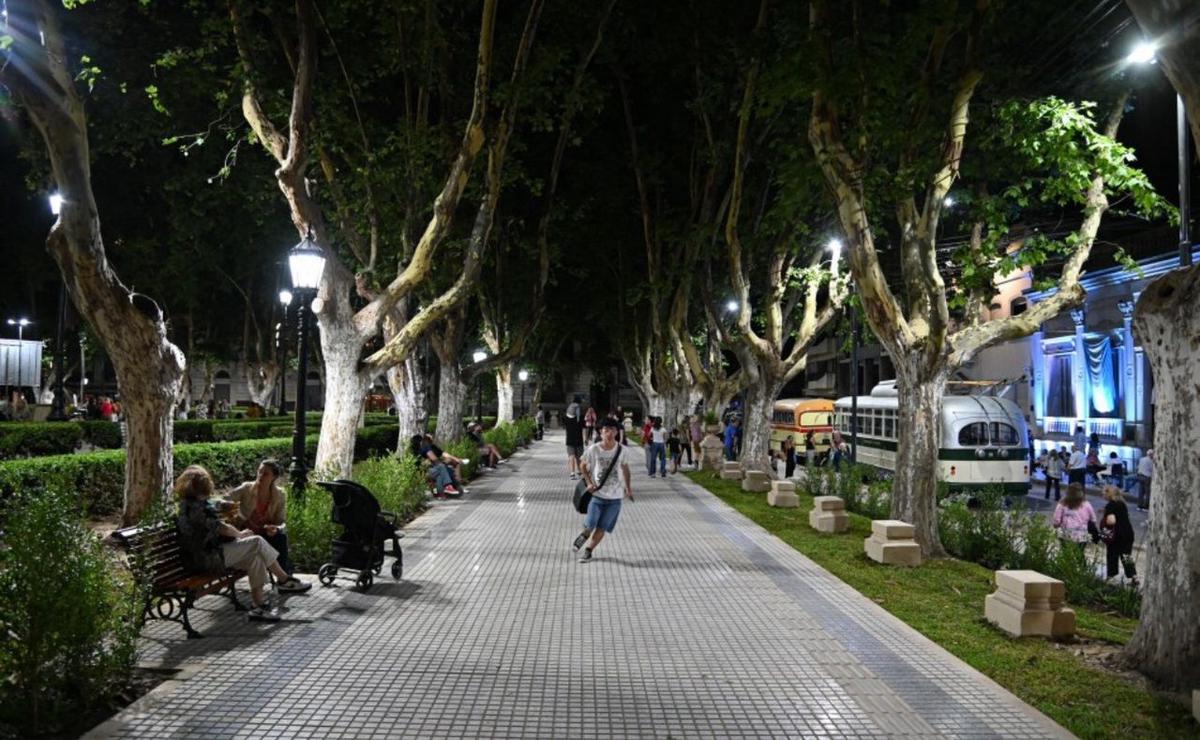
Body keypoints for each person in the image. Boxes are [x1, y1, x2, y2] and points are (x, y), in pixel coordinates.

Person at [175, 465, 299, 622]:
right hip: (206, 560)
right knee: (257, 542)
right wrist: (240, 534)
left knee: (256, 558)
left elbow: (215, 505)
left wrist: (222, 505)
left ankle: (258, 607)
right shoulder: (197, 508)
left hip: (207, 555)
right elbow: (221, 528)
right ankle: (283, 578)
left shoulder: (191, 504)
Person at [220, 459, 311, 593]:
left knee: (280, 537)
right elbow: (225, 500)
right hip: (246, 534)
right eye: (259, 472)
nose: (260, 476)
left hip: (265, 534)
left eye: (266, 474)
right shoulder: (246, 489)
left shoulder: (279, 495)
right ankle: (285, 579)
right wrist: (236, 515)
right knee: (262, 542)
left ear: (274, 477)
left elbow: (281, 522)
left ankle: (283, 581)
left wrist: (275, 529)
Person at [572, 418, 633, 564]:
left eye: (612, 430)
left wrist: (628, 489)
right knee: (591, 523)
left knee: (602, 527)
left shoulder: (623, 450)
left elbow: (626, 469)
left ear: (617, 432)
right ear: (601, 432)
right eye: (606, 430)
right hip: (597, 496)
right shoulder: (594, 449)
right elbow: (582, 465)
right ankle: (585, 534)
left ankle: (588, 551)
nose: (609, 433)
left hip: (615, 498)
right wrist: (588, 482)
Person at [1100, 484, 1137, 585]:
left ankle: (1111, 576)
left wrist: (1105, 521)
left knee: (1112, 554)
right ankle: (1134, 576)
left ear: (1109, 494)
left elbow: (1112, 521)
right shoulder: (1122, 503)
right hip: (1128, 533)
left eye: (1104, 492)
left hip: (1117, 535)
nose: (1102, 494)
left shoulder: (1111, 505)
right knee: (1126, 556)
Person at [1052, 482, 1096, 554]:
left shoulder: (1062, 503)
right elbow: (1093, 519)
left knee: (1065, 555)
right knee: (1080, 556)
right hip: (1082, 536)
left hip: (1065, 535)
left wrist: (1056, 526)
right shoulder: (1087, 504)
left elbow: (1056, 521)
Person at [565, 409, 585, 480]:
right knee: (579, 457)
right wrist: (586, 439)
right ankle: (579, 471)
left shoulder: (567, 418)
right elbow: (584, 429)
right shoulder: (581, 418)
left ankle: (572, 473)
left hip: (570, 440)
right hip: (579, 440)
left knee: (572, 456)